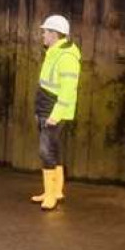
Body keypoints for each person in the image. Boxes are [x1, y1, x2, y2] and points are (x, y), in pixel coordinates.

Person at [31, 15, 81, 211]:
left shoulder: (67, 58)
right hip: (45, 106)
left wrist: (55, 114)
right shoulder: (54, 52)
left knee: (45, 151)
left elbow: (68, 90)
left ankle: (51, 195)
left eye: (45, 32)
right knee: (53, 149)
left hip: (53, 109)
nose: (43, 35)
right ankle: (56, 190)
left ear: (54, 34)